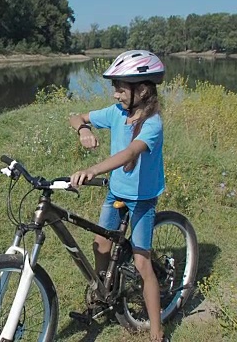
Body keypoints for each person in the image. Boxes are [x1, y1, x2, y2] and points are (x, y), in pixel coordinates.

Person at [69, 50, 168, 342]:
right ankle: (104, 294)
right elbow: (76, 117)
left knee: (141, 263)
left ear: (143, 90)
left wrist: (93, 169)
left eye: (120, 89)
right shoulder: (117, 114)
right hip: (116, 193)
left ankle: (157, 333)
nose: (115, 95)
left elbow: (129, 153)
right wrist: (84, 130)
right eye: (114, 88)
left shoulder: (153, 124)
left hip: (142, 199)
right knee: (100, 245)